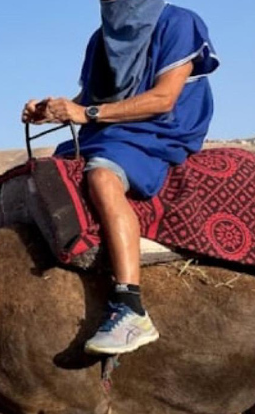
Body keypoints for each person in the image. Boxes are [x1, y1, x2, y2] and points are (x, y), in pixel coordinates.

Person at [22, 0, 218, 355]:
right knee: (47, 173)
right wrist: (51, 111)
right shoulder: (102, 38)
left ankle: (130, 306)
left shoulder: (178, 22)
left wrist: (86, 112)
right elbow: (89, 99)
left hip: (161, 129)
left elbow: (163, 99)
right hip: (113, 129)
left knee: (101, 175)